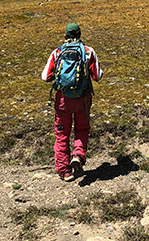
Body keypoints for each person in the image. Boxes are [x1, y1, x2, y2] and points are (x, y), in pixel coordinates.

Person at [42, 23, 103, 181]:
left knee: (62, 134)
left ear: (65, 36)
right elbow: (98, 76)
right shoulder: (88, 51)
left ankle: (65, 171)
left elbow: (45, 77)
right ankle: (78, 156)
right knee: (82, 129)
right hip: (82, 99)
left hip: (63, 100)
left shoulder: (57, 52)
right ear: (80, 34)